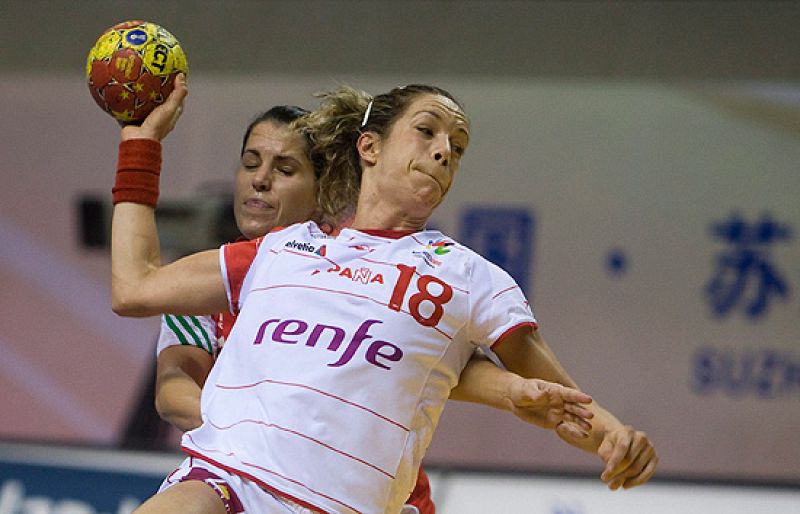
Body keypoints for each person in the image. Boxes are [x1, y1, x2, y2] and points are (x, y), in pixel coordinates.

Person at [110, 75, 657, 513]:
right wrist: (140, 143)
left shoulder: (468, 276)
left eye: (457, 147)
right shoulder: (281, 249)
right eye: (427, 131)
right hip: (228, 476)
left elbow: (561, 402)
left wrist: (614, 437)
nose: (444, 152)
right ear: (368, 146)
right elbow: (135, 287)